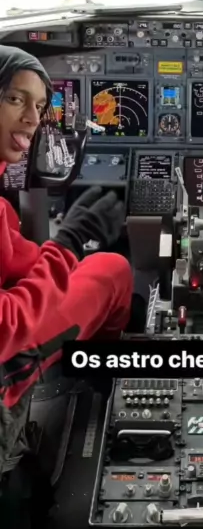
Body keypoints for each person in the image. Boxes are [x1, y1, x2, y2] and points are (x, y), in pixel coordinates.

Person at [0, 45, 133, 472]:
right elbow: (9, 326)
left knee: (101, 267)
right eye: (15, 99)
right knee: (114, 270)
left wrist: (61, 254)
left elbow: (19, 257)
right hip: (7, 357)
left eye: (40, 106)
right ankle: (96, 382)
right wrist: (68, 244)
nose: (32, 118)